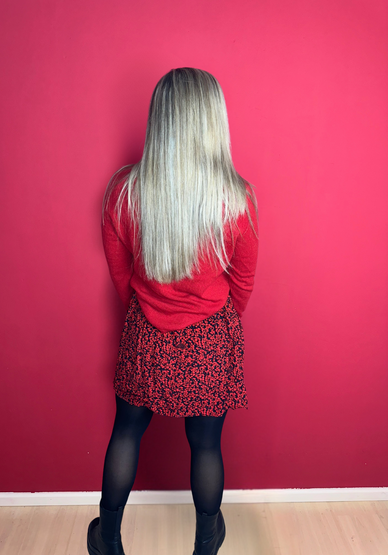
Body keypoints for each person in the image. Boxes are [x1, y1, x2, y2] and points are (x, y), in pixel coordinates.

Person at [87, 67, 259, 555]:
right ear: (213, 121)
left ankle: (108, 541)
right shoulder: (237, 199)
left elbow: (121, 277)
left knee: (126, 432)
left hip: (146, 333)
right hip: (210, 338)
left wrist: (150, 312)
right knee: (206, 446)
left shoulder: (123, 193)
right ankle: (206, 545)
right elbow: (242, 285)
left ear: (158, 118)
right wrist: (214, 324)